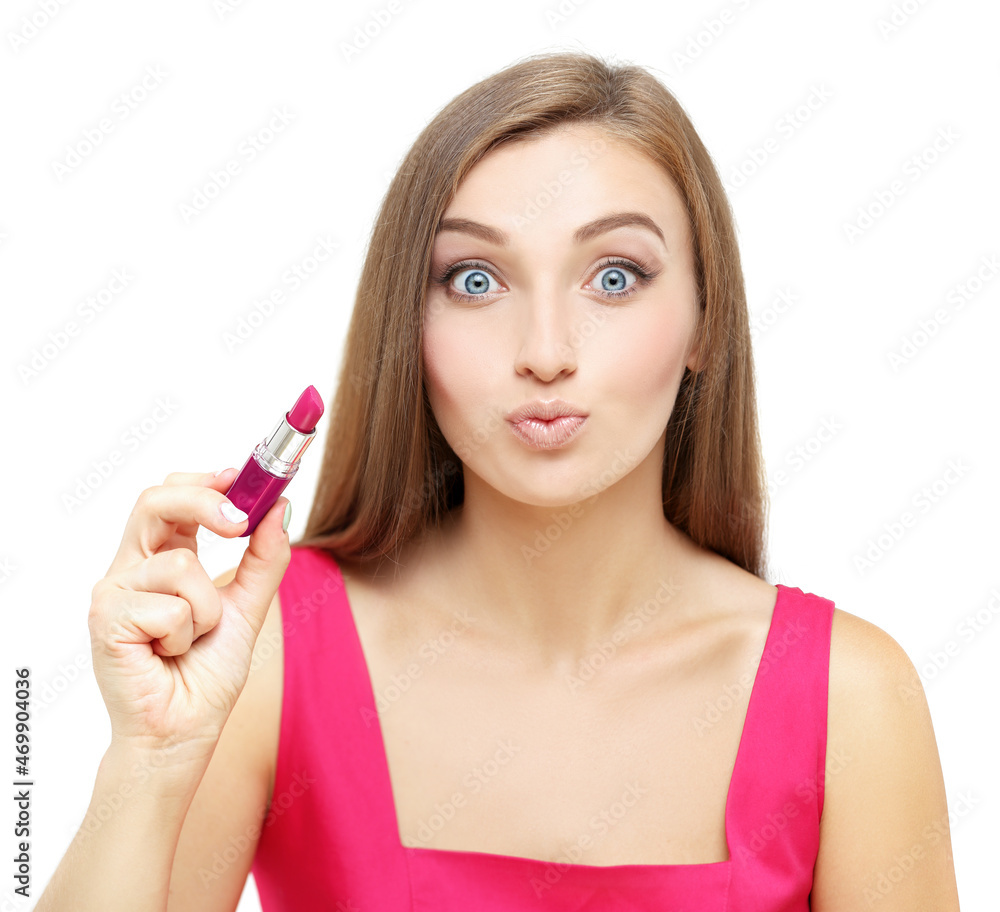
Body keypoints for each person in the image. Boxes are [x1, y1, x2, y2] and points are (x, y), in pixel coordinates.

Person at [37, 50, 960, 911]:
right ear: (409, 323)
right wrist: (151, 761)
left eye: (614, 277)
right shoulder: (268, 654)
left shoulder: (850, 700)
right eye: (476, 280)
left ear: (706, 321)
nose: (545, 352)